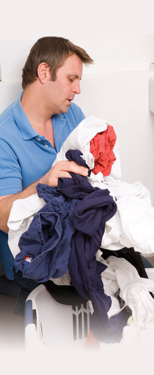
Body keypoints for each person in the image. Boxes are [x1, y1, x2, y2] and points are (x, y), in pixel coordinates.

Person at [0, 36, 93, 312]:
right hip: (31, 253)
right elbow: (2, 217)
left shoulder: (72, 115)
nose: (77, 89)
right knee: (95, 295)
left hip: (77, 235)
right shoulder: (5, 135)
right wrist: (44, 182)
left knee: (138, 269)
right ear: (44, 73)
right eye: (72, 79)